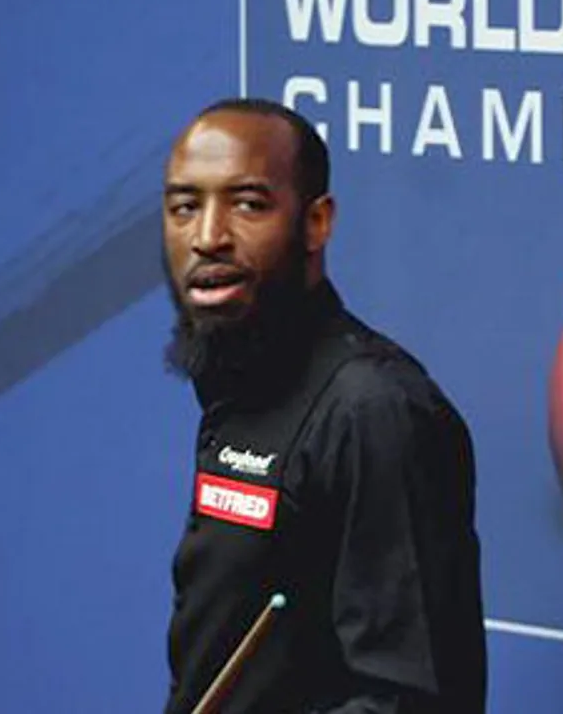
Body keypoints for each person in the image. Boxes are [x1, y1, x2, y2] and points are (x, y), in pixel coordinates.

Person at [158, 98, 488, 713]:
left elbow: (409, 703)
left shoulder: (375, 412)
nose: (207, 237)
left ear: (317, 222)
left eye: (248, 204)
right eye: (185, 208)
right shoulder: (237, 376)